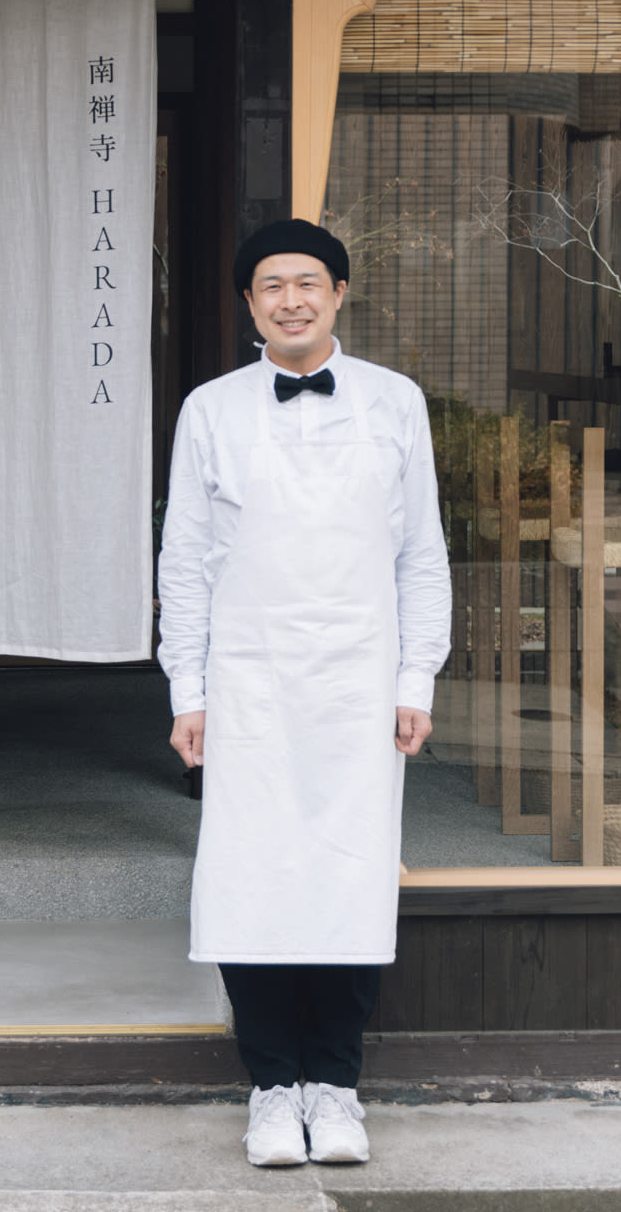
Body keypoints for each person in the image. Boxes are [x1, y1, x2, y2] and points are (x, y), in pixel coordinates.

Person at [157, 217, 452, 1168]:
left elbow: (422, 555)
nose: (291, 298)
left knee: (348, 877)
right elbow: (186, 562)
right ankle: (271, 1088)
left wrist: (417, 678)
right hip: (249, 680)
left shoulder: (396, 402)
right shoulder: (210, 408)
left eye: (308, 282)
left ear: (338, 294)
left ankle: (337, 1085)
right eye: (271, 285)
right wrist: (187, 689)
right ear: (250, 304)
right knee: (253, 880)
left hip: (361, 680)